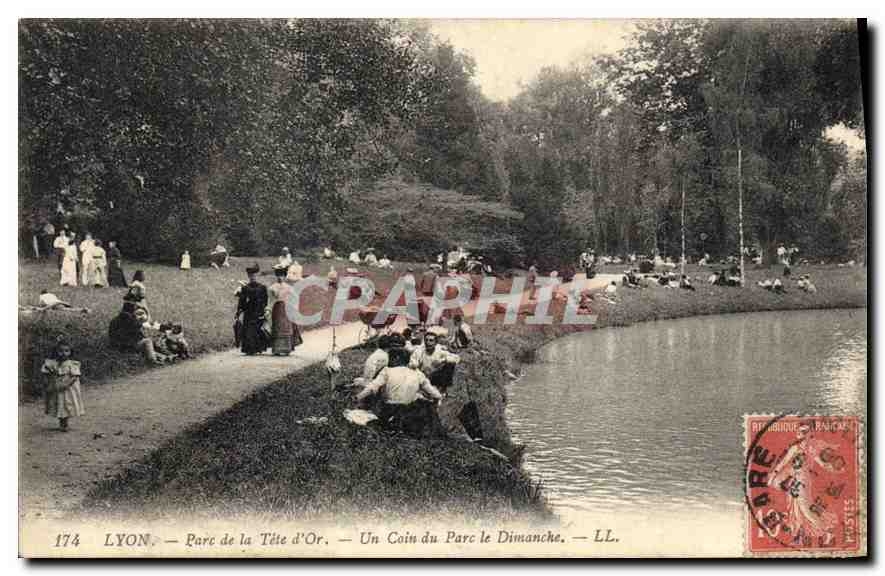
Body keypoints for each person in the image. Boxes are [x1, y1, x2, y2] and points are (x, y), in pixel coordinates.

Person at [356, 347, 444, 437]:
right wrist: (436, 403)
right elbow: (435, 394)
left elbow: (372, 387)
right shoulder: (417, 373)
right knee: (423, 402)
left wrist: (358, 397)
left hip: (388, 410)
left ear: (395, 358)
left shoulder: (387, 371)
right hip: (408, 412)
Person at [41, 337, 85, 431]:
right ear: (56, 351)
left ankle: (65, 423)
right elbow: (46, 373)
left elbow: (75, 376)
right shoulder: (51, 363)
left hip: (67, 389)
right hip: (56, 387)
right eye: (60, 351)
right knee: (58, 403)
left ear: (70, 352)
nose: (63, 353)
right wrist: (48, 383)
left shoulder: (72, 364)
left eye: (66, 351)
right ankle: (62, 422)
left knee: (67, 404)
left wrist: (66, 384)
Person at [409, 331, 461, 395]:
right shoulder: (419, 351)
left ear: (436, 343)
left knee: (450, 364)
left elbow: (457, 358)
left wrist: (443, 360)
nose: (428, 343)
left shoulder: (439, 351)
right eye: (426, 340)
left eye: (431, 340)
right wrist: (415, 364)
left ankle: (442, 389)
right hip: (422, 377)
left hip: (434, 376)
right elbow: (412, 363)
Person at [236, 263, 269, 356]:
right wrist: (239, 311)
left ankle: (257, 348)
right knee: (248, 330)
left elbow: (264, 299)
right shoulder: (245, 287)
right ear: (248, 276)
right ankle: (249, 349)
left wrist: (265, 310)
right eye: (250, 275)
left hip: (258, 311)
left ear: (257, 276)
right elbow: (242, 300)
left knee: (256, 330)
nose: (252, 277)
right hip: (249, 311)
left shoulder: (262, 287)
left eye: (254, 275)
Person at [269, 266, 302, 356]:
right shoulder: (272, 287)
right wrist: (268, 310)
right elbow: (270, 300)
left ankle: (287, 348)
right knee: (277, 326)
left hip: (286, 309)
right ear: (276, 276)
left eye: (282, 275)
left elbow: (295, 298)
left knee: (286, 327)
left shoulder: (289, 288)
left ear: (284, 276)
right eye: (278, 276)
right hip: (277, 309)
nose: (280, 278)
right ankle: (277, 348)